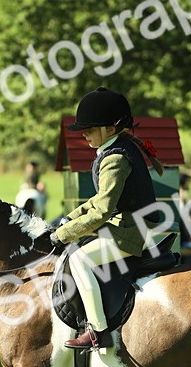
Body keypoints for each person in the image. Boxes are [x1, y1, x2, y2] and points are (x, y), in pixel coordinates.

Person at [49, 87, 166, 350]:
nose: (85, 134)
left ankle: (97, 331)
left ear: (110, 130)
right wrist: (68, 218)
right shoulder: (115, 149)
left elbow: (102, 210)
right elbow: (98, 201)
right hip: (124, 225)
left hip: (129, 232)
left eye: (90, 129)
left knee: (79, 259)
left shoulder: (115, 160)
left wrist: (62, 235)